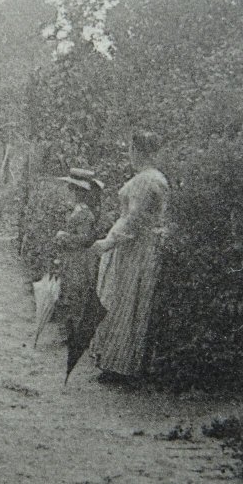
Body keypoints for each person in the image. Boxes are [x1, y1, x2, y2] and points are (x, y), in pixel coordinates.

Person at [89, 131, 169, 380]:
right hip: (140, 246)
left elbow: (133, 218)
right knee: (130, 302)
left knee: (124, 302)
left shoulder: (146, 180)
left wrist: (108, 242)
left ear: (136, 150)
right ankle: (121, 362)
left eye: (131, 149)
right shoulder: (156, 177)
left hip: (134, 249)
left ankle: (119, 366)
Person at [53, 168, 104, 341]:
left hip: (79, 260)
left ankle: (75, 335)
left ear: (79, 191)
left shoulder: (84, 213)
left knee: (76, 294)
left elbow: (84, 239)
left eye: (72, 188)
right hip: (72, 258)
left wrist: (64, 237)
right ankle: (70, 333)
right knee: (70, 292)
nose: (69, 191)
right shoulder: (78, 210)